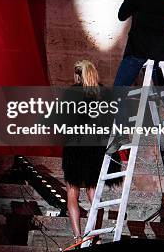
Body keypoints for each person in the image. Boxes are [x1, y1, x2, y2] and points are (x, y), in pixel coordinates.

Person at [61, 60, 120, 243]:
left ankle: (78, 236)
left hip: (76, 145)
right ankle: (95, 235)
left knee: (72, 192)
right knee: (94, 193)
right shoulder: (105, 93)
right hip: (96, 147)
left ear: (78, 75)